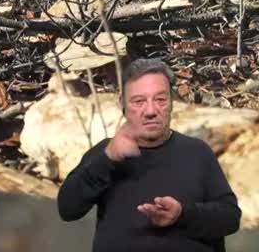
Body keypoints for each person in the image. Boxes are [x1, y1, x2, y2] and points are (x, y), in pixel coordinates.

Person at [57, 58, 241, 251]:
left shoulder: (198, 152)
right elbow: (68, 209)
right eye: (139, 101)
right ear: (123, 105)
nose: (151, 111)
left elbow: (230, 218)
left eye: (160, 99)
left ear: (171, 102)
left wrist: (182, 215)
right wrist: (107, 159)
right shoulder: (105, 152)